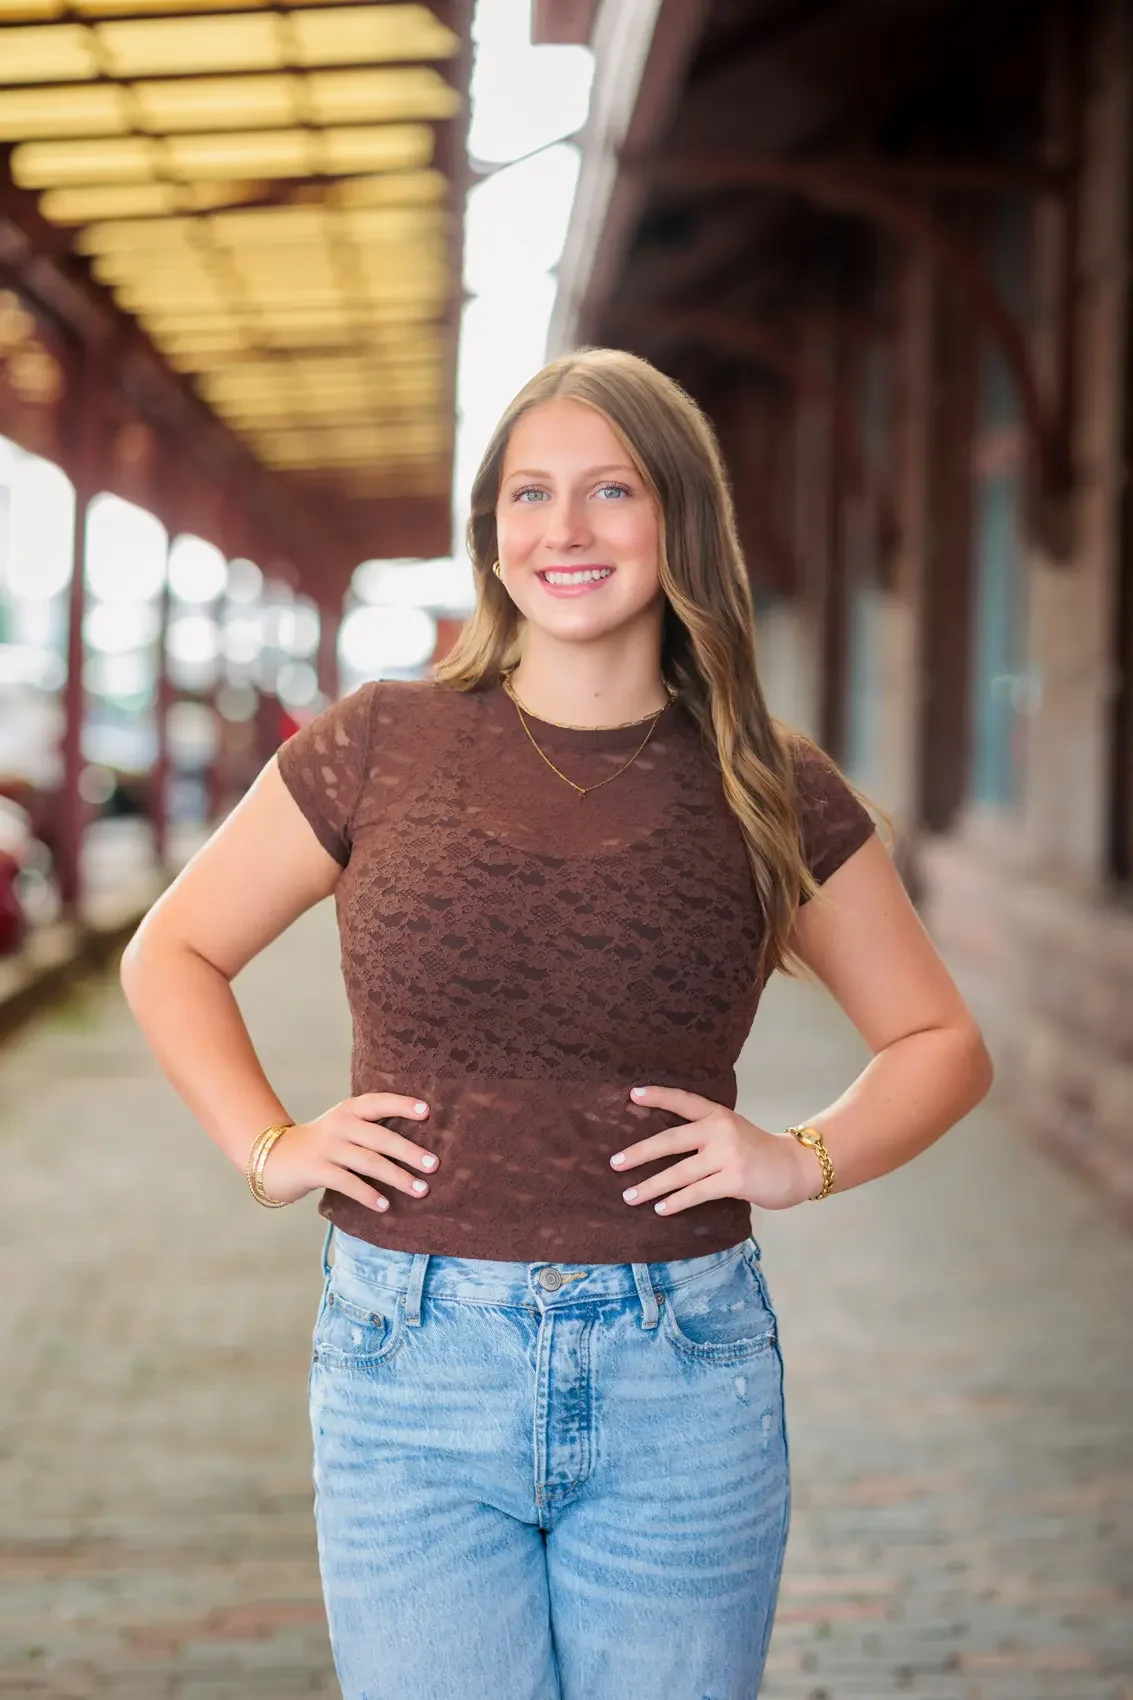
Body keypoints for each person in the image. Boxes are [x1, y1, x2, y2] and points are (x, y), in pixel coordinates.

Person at [120, 347, 993, 1700]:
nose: (563, 531)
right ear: (489, 535)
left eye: (609, 491)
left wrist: (798, 1157)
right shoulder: (381, 742)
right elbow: (172, 948)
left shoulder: (768, 779)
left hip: (683, 1369)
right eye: (527, 495)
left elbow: (942, 1042)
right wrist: (269, 1145)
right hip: (406, 1360)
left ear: (680, 521)